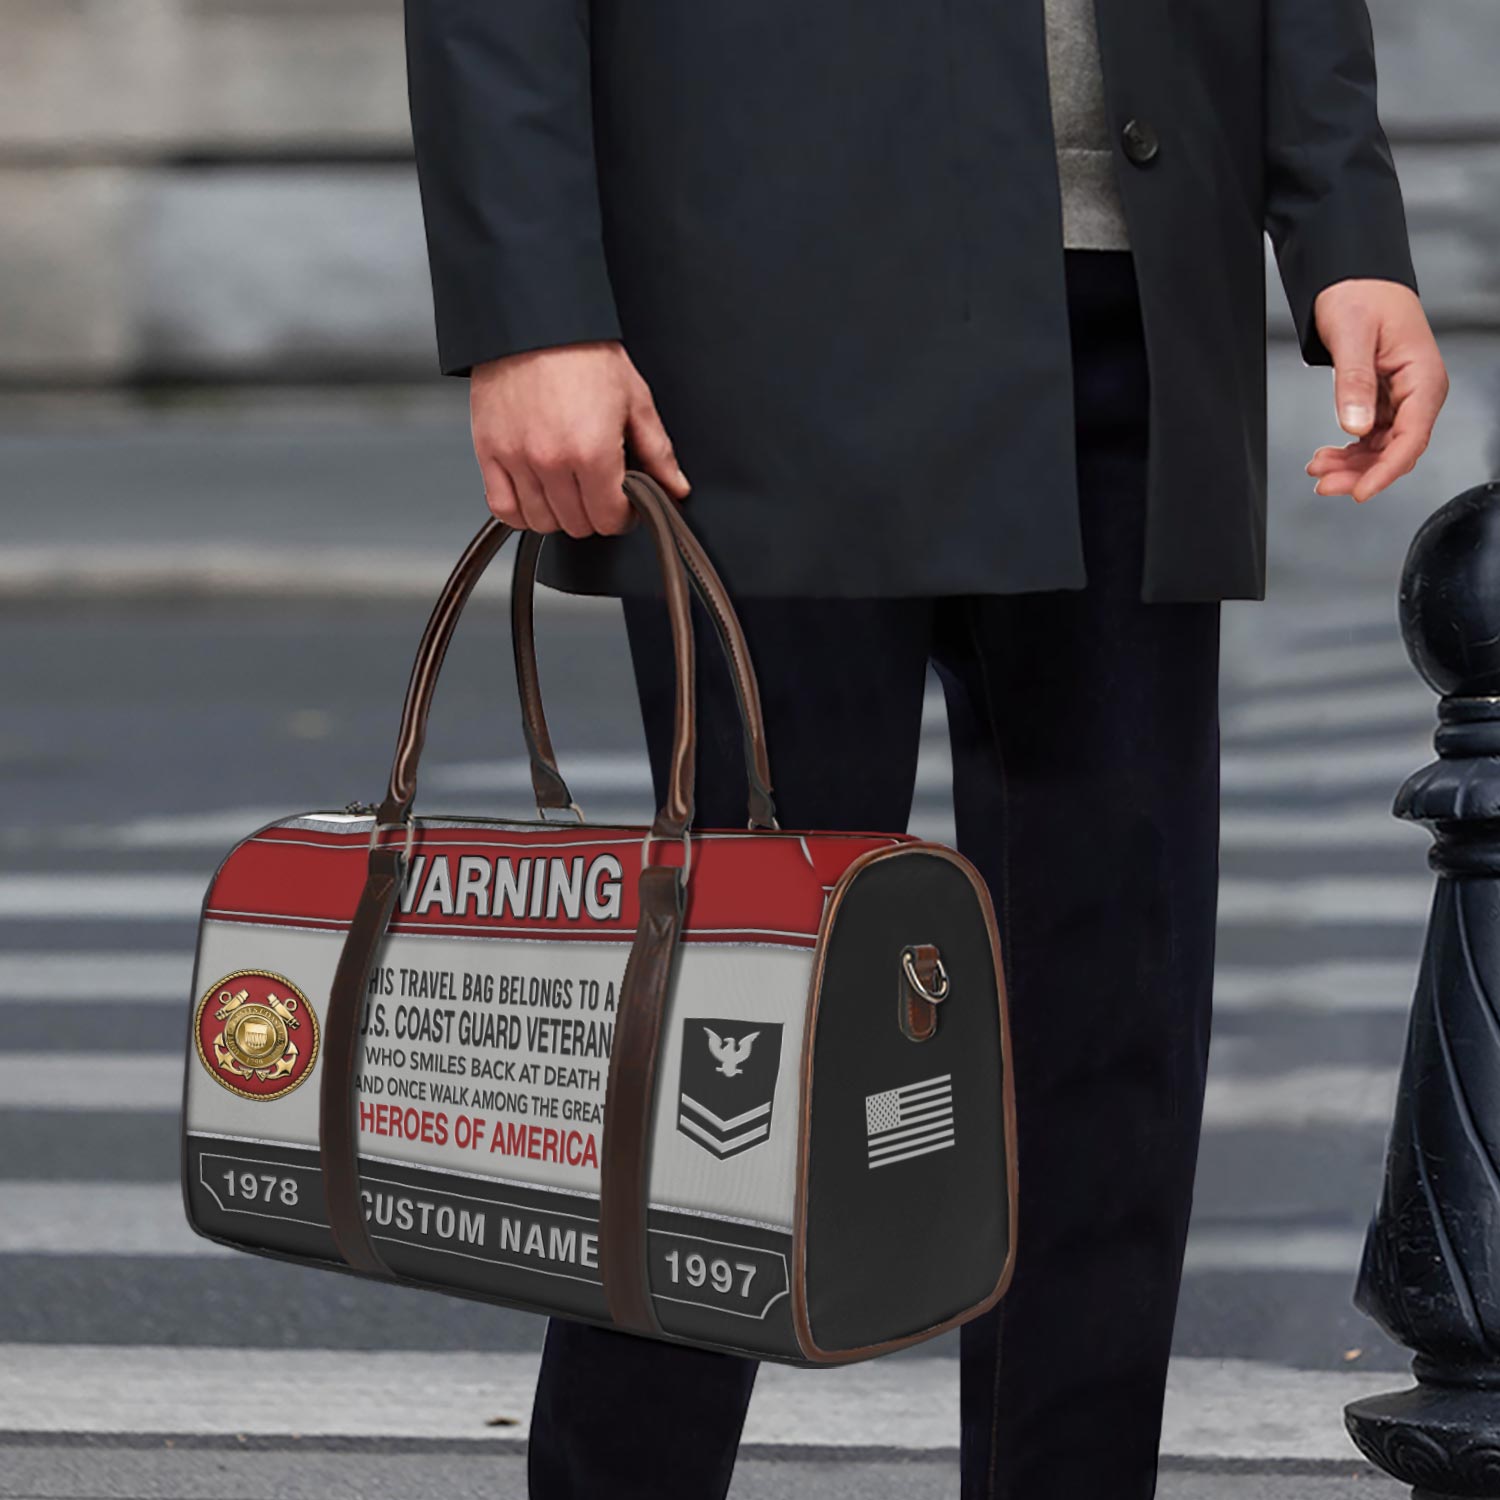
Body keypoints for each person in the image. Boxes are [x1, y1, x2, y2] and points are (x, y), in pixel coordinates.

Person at [401, 0, 1449, 1493]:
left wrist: (1342, 216)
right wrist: (530, 305)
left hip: (1135, 296)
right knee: (746, 1026)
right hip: (761, 319)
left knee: (1112, 1018)